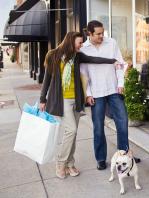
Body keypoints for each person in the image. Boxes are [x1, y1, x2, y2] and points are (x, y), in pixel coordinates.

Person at [39, 31, 120, 179]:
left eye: (82, 43)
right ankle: (61, 163)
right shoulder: (53, 55)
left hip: (75, 100)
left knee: (73, 134)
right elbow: (47, 78)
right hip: (61, 100)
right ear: (71, 42)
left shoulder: (77, 56)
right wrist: (42, 99)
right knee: (71, 130)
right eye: (79, 43)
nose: (81, 45)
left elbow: (94, 59)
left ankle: (70, 164)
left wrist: (112, 61)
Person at [80, 20, 140, 171]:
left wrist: (121, 84)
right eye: (98, 34)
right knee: (98, 127)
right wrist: (88, 94)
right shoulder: (83, 49)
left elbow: (119, 65)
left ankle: (124, 155)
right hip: (96, 93)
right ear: (90, 34)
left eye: (103, 32)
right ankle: (101, 159)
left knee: (122, 122)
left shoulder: (111, 43)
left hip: (114, 90)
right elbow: (83, 74)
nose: (102, 36)